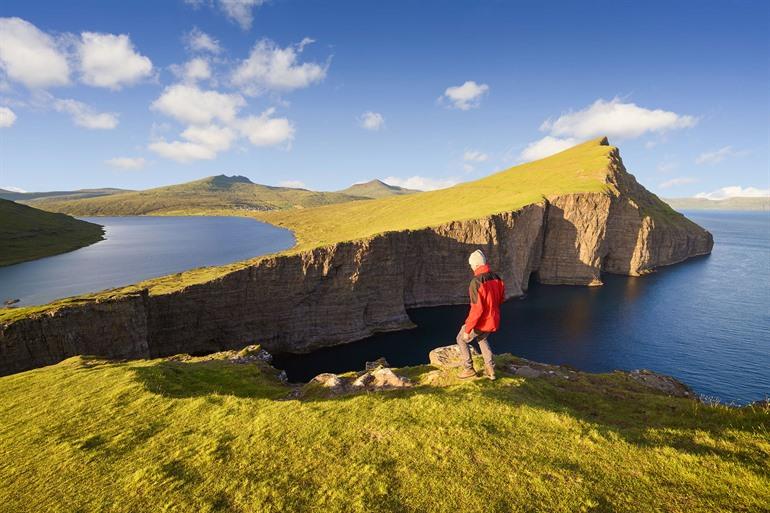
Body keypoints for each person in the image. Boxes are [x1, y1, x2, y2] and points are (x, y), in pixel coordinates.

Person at [456, 249, 505, 380]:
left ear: (477, 265)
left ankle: (468, 368)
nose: (471, 267)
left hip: (481, 322)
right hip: (494, 319)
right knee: (482, 339)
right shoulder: (496, 278)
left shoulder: (476, 283)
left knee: (461, 338)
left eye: (471, 265)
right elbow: (501, 299)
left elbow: (476, 310)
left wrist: (467, 329)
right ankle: (490, 369)